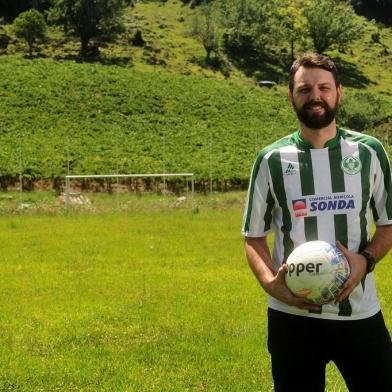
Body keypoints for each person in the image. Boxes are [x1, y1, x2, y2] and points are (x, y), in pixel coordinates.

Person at [242, 52, 392, 392]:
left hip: (359, 313)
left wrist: (364, 260)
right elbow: (253, 237)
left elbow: (388, 224)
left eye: (324, 87)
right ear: (290, 95)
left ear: (339, 92)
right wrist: (270, 283)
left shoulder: (369, 153)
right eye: (304, 89)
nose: (315, 96)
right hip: (292, 317)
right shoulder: (270, 159)